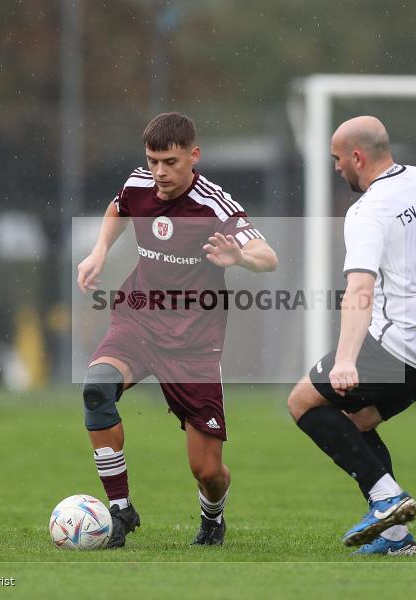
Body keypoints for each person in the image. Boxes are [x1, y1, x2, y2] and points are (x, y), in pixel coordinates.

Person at [76, 112, 278, 548]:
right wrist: (99, 252)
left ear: (193, 155)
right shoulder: (139, 184)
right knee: (96, 389)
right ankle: (119, 510)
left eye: (169, 161)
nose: (159, 172)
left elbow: (268, 256)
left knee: (207, 471)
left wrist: (239, 258)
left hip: (193, 344)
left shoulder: (214, 204)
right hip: (139, 319)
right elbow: (119, 206)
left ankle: (212, 518)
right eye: (152, 161)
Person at [287, 116, 416, 556]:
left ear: (357, 157)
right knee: (355, 422)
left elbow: (360, 289)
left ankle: (387, 499)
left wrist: (347, 359)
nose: (335, 168)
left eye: (336, 159)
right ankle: (394, 537)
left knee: (302, 402)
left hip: (407, 341)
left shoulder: (368, 211)